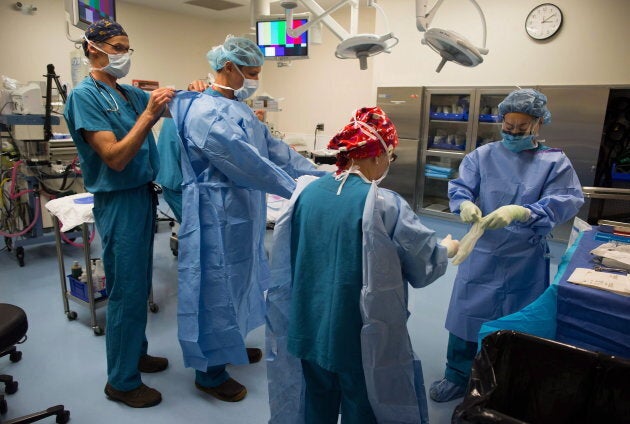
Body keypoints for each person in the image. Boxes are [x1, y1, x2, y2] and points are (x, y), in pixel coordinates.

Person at [265, 107, 460, 424]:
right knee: (362, 402)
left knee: (317, 398)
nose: (389, 164)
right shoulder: (383, 204)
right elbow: (422, 263)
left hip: (306, 323)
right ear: (376, 154)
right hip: (355, 334)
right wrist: (445, 249)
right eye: (390, 156)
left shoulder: (305, 192)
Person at [165, 35, 326, 402]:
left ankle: (230, 344)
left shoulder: (238, 108)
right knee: (214, 288)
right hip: (213, 214)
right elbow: (246, 163)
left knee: (240, 280)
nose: (253, 80)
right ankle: (210, 372)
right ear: (227, 67)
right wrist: (297, 190)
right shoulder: (205, 112)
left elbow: (275, 151)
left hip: (242, 211)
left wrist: (320, 175)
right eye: (250, 73)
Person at [429, 88, 585, 403]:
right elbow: (461, 187)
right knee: (466, 314)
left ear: (539, 123)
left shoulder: (555, 162)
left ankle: (504, 379)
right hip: (482, 251)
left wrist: (523, 211)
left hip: (524, 257)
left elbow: (567, 199)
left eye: (522, 129)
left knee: (515, 320)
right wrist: (463, 205)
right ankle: (457, 375)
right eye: (508, 128)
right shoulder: (482, 156)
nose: (513, 134)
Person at [63, 19, 175, 408]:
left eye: (128, 48)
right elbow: (114, 157)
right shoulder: (85, 96)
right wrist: (150, 116)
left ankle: (135, 353)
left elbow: (175, 109)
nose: (124, 55)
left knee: (139, 284)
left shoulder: (126, 94)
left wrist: (198, 91)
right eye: (118, 47)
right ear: (94, 49)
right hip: (119, 199)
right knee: (126, 290)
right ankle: (122, 381)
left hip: (143, 195)